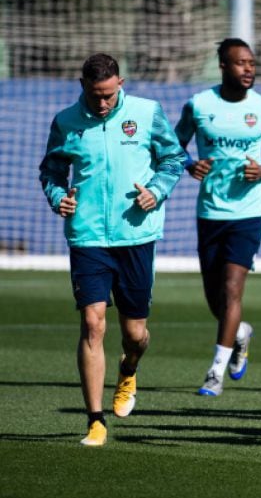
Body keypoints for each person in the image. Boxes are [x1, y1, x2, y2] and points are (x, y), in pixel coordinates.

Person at [40, 53, 185, 446]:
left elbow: (174, 158)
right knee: (92, 324)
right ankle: (95, 420)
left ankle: (129, 368)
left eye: (107, 94)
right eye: (94, 95)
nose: (101, 102)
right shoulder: (66, 122)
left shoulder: (147, 112)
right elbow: (51, 170)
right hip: (87, 237)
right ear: (82, 87)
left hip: (135, 235)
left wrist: (156, 192)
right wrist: (58, 197)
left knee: (135, 334)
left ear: (120, 83)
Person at [174, 38, 261, 397]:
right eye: (240, 63)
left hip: (248, 212)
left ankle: (215, 372)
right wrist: (191, 164)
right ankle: (240, 334)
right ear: (223, 66)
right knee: (214, 299)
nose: (248, 69)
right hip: (209, 211)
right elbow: (176, 144)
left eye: (251, 62)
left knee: (233, 288)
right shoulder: (200, 105)